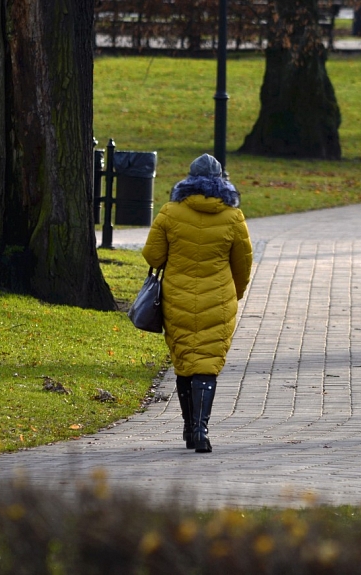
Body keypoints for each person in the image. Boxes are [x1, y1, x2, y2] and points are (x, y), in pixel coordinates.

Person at [142, 154, 253, 453]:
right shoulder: (233, 216)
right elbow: (243, 264)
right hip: (218, 300)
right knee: (207, 363)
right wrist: (235, 293)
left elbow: (153, 256)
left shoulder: (170, 213)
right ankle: (202, 429)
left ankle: (190, 429)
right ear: (221, 180)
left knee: (185, 362)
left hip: (176, 298)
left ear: (189, 179)